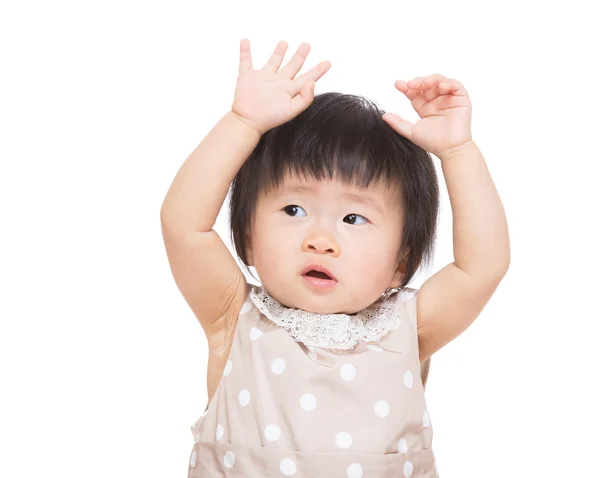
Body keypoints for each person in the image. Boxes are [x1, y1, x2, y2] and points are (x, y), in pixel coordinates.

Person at [160, 38, 510, 478]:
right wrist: (242, 123)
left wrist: (459, 153)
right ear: (248, 236)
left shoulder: (408, 326)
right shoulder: (233, 316)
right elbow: (182, 224)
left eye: (353, 217)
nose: (321, 239)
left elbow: (482, 267)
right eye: (294, 210)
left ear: (401, 261)